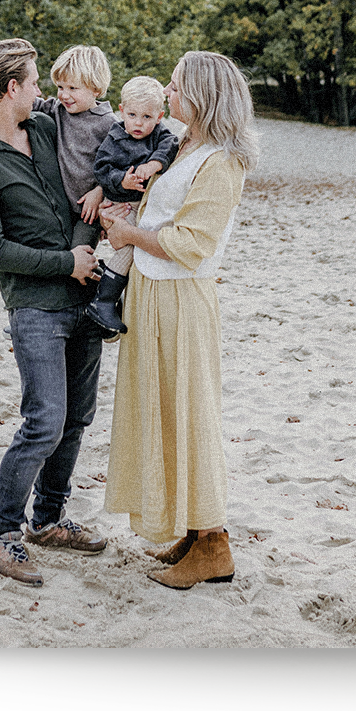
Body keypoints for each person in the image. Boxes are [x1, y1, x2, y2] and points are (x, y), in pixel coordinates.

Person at [0, 38, 110, 586]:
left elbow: (93, 169)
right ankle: (1, 532)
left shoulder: (45, 128)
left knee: (77, 418)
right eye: (36, 82)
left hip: (85, 297)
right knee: (43, 422)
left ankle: (48, 519)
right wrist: (66, 261)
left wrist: (88, 241)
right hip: (36, 305)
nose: (44, 91)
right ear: (12, 88)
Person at [96, 51, 256, 589]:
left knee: (189, 411)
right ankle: (193, 530)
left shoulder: (222, 160)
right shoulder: (185, 144)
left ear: (204, 95)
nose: (167, 92)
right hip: (152, 292)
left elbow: (193, 242)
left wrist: (128, 236)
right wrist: (124, 212)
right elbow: (163, 211)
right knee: (164, 411)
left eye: (177, 84)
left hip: (182, 300)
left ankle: (215, 543)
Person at [82, 75, 184, 340]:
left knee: (139, 243)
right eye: (132, 115)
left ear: (160, 115)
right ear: (121, 111)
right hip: (120, 200)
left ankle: (107, 280)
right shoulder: (115, 137)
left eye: (147, 117)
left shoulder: (161, 135)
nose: (139, 123)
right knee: (130, 245)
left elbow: (170, 147)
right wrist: (122, 179)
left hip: (144, 203)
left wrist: (153, 165)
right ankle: (104, 301)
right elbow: (102, 169)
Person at [33, 43, 120, 267]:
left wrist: (99, 192)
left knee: (79, 254)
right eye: (60, 87)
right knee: (55, 253)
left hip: (88, 211)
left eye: (73, 88)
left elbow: (119, 165)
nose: (64, 95)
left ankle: (95, 291)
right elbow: (28, 102)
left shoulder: (108, 123)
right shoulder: (57, 110)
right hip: (59, 205)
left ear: (95, 89)